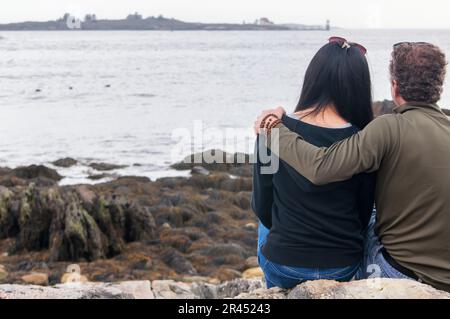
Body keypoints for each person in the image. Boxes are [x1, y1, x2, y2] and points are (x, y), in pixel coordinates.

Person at [255, 42, 450, 292]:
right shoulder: (369, 131)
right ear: (440, 86)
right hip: (434, 277)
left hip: (397, 273)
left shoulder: (385, 130)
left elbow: (320, 168)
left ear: (394, 86)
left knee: (267, 220)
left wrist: (270, 130)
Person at [252, 37, 376, 289]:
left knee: (265, 222)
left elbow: (262, 205)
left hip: (283, 266)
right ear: (359, 87)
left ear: (313, 78)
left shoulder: (273, 128)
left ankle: (274, 291)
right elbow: (363, 213)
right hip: (342, 266)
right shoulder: (364, 139)